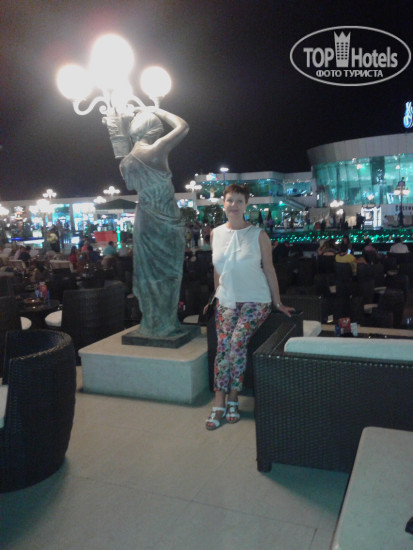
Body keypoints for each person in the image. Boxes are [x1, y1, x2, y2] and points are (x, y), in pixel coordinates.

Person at [205, 184, 294, 431]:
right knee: (223, 347)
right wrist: (215, 296)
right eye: (229, 200)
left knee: (236, 342)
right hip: (227, 300)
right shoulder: (215, 234)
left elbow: (269, 269)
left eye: (239, 201)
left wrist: (277, 302)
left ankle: (234, 396)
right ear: (223, 203)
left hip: (256, 300)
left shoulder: (258, 235)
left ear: (246, 205)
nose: (233, 205)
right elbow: (218, 270)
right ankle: (220, 402)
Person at [106, 107, 189, 338]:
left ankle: (152, 322)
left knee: (148, 272)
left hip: (144, 218)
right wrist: (157, 109)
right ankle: (166, 323)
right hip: (166, 218)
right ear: (153, 131)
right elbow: (183, 126)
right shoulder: (156, 150)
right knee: (170, 272)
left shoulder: (126, 162)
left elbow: (131, 184)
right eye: (158, 131)